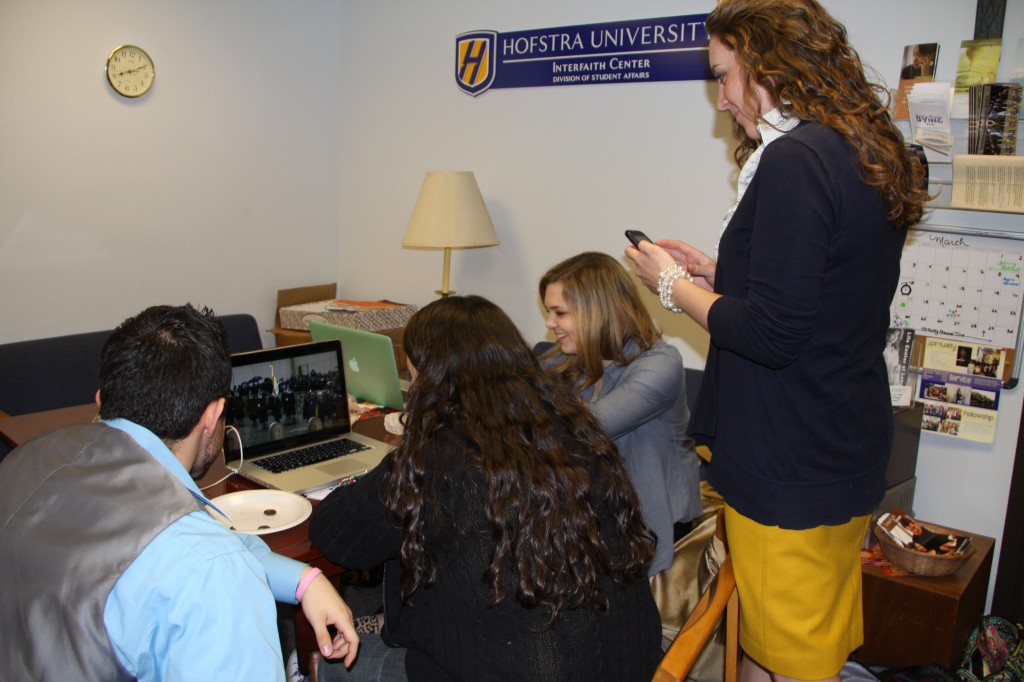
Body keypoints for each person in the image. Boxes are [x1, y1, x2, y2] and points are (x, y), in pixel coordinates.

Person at [625, 1, 929, 681]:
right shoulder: (860, 149)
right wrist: (717, 269)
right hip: (840, 441)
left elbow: (770, 332)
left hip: (788, 459)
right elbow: (825, 292)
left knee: (790, 660)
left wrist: (674, 284)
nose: (723, 100)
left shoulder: (794, 160)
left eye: (724, 76)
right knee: (795, 646)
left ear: (766, 66)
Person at [309, 295, 662, 682]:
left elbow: (337, 537)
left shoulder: (439, 458)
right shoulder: (578, 429)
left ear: (428, 375)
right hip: (628, 664)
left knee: (331, 665)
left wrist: (393, 461)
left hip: (533, 664)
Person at [0, 304, 359, 681]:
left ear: (102, 400)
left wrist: (303, 580)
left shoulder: (25, 459)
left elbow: (198, 546)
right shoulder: (211, 573)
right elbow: (201, 556)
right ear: (213, 415)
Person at [538, 251, 702, 577]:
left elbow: (585, 430)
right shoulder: (560, 360)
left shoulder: (660, 364)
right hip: (593, 517)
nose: (550, 324)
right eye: (549, 312)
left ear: (597, 312)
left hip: (654, 525)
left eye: (560, 313)